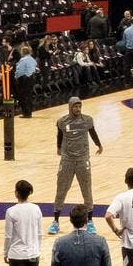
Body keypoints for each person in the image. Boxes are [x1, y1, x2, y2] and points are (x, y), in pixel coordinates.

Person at [47, 98, 104, 232]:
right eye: (75, 107)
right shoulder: (62, 121)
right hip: (67, 160)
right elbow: (59, 135)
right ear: (70, 107)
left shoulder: (87, 120)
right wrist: (58, 147)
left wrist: (99, 145)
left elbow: (93, 133)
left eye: (79, 107)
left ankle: (90, 222)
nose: (78, 109)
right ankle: (55, 222)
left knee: (87, 190)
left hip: (83, 160)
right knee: (61, 189)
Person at [4, 181, 45, 266]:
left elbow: (8, 236)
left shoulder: (11, 211)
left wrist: (6, 252)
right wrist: (38, 249)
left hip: (16, 254)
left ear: (16, 193)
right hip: (33, 252)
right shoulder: (36, 209)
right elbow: (39, 232)